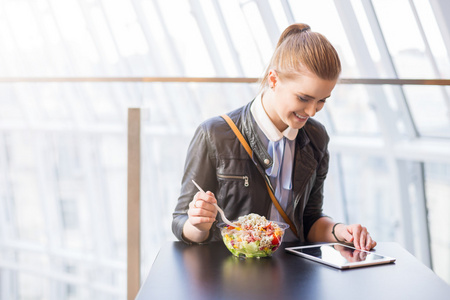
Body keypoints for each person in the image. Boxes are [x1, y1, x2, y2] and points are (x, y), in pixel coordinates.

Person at [172, 23, 377, 251]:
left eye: (321, 101)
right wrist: (198, 224)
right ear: (273, 80)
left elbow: (309, 219)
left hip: (294, 275)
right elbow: (180, 221)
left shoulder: (317, 138)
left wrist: (340, 231)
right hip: (232, 275)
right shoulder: (214, 134)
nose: (311, 112)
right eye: (303, 98)